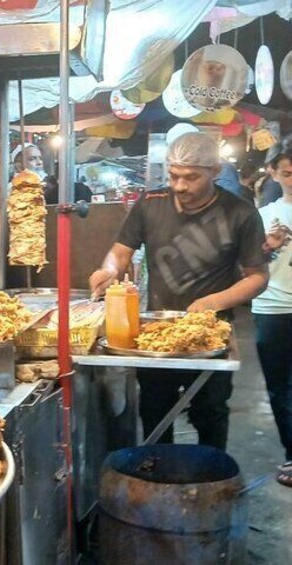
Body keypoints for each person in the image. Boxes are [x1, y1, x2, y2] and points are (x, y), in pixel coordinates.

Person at [89, 132, 269, 450]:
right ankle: (158, 470)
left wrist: (214, 302)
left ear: (214, 171)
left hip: (210, 335)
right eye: (173, 176)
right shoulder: (151, 203)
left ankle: (211, 477)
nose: (180, 186)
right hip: (156, 332)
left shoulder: (240, 213)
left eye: (191, 177)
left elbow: (257, 277)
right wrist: (109, 270)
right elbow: (120, 251)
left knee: (210, 412)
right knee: (156, 409)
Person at [251, 137, 292, 487]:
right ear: (274, 174)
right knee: (280, 388)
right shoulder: (263, 217)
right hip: (272, 309)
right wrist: (268, 247)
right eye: (289, 173)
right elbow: (247, 267)